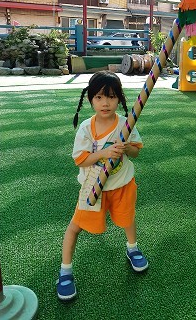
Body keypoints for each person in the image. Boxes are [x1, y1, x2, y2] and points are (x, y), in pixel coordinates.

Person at [56, 70, 148, 301]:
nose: (105, 103)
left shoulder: (125, 124)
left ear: (119, 99)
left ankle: (133, 248)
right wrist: (104, 153)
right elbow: (80, 160)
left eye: (111, 97)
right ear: (90, 100)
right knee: (75, 226)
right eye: (99, 97)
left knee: (127, 218)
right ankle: (65, 271)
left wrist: (127, 148)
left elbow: (136, 152)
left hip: (122, 185)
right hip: (93, 188)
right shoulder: (87, 128)